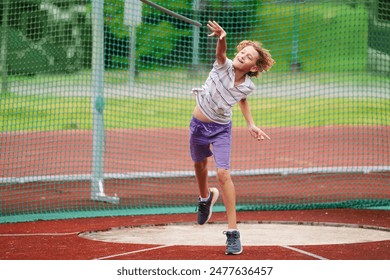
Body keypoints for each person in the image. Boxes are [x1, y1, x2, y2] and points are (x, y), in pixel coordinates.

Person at [189, 21, 275, 255]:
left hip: (222, 128)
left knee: (223, 173)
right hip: (198, 125)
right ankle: (205, 198)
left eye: (248, 57)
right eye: (242, 53)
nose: (243, 57)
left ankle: (233, 233)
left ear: (253, 68)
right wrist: (221, 37)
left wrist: (251, 124)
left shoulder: (247, 86)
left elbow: (242, 100)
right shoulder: (222, 66)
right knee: (199, 166)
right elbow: (221, 52)